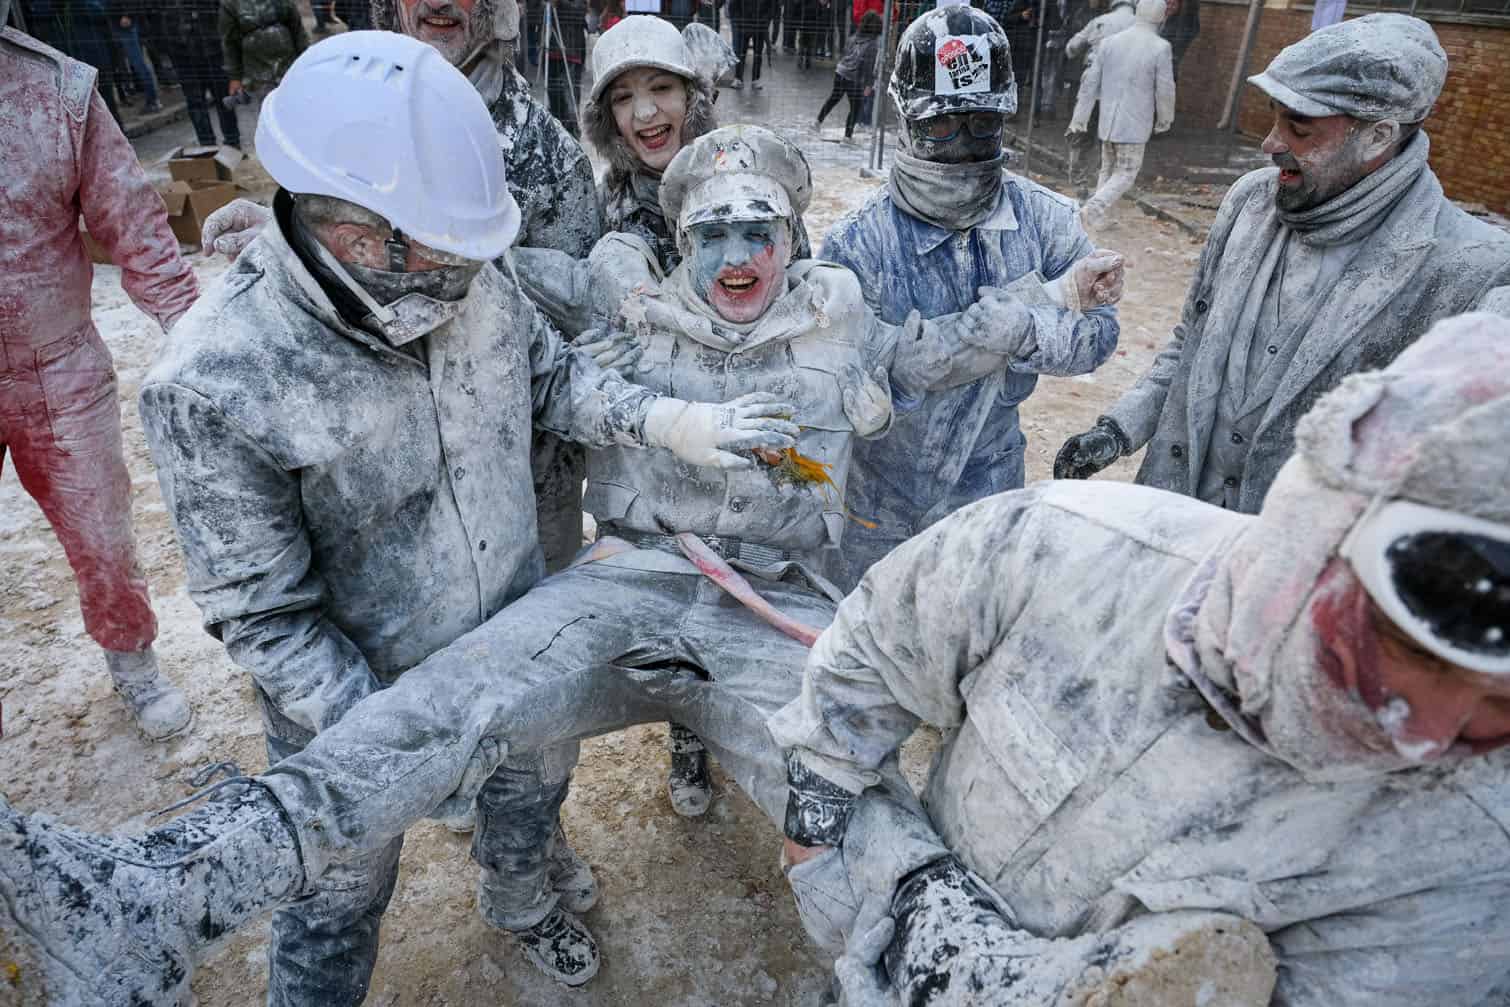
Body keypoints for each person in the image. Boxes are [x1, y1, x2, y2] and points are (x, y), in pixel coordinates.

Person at [0, 122, 1067, 1005]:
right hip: (625, 580)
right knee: (431, 724)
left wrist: (1044, 308)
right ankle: (164, 892)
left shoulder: (838, 321)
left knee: (832, 767)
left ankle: (968, 959)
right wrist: (663, 401)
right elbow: (553, 311)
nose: (738, 251)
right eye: (712, 231)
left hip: (767, 606)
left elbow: (928, 352)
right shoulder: (623, 313)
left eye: (761, 229)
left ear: (795, 237)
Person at [135, 35, 798, 1000]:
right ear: (345, 223)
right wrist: (406, 739)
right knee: (335, 898)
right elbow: (267, 619)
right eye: (436, 248)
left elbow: (555, 378)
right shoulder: (219, 381)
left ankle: (519, 901)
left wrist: (672, 421)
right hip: (352, 708)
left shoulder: (466, 275)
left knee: (529, 796)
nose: (460, 272)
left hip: (514, 643)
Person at [772, 310, 1510, 1006]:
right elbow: (859, 670)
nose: (1429, 735)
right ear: (1312, 541)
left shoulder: (1469, 862)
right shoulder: (1056, 546)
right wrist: (861, 875)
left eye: (1504, 709)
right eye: (1415, 648)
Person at [1055, 14, 1510, 513]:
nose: (1270, 144)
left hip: (1293, 559)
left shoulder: (1470, 271)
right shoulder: (1251, 202)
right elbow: (1193, 342)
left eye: (1299, 128)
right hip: (1178, 517)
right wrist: (1119, 428)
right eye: (1274, 118)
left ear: (1378, 137)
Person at [820, 5, 1124, 591]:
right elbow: (840, 376)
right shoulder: (858, 243)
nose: (962, 143)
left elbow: (1100, 334)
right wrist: (894, 374)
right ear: (907, 117)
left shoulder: (1044, 220)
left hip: (989, 488)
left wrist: (1031, 333)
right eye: (941, 125)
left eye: (981, 122)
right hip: (875, 502)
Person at [0, 12, 197, 741]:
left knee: (103, 536)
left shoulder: (59, 91)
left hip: (58, 371)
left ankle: (131, 655)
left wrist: (192, 331)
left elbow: (135, 225)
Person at [1067, 0, 1174, 231]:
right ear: (1161, 17)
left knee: (1108, 168)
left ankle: (1097, 219)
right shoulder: (1160, 47)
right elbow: (1165, 88)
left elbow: (1091, 83)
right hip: (1134, 124)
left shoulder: (1110, 42)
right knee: (1126, 173)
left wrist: (1081, 117)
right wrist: (1165, 118)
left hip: (1108, 120)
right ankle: (1092, 210)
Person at [1063, 0, 1135, 193]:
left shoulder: (1099, 21)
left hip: (1092, 88)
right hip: (1122, 91)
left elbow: (1072, 48)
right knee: (1111, 139)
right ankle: (1103, 184)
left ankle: (1079, 182)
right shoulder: (1140, 27)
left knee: (1082, 133)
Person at [159, 0, 242, 146]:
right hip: (182, 55)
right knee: (196, 102)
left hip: (212, 50)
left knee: (223, 99)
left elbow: (224, 12)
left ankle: (233, 142)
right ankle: (207, 146)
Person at [219, 0, 308, 98]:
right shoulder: (230, 4)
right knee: (271, 108)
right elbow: (229, 43)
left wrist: (307, 61)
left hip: (290, 67)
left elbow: (298, 30)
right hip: (259, 74)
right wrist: (235, 77)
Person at [816, 9, 879, 140]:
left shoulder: (854, 37)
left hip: (840, 71)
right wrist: (869, 84)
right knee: (856, 107)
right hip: (853, 77)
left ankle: (817, 122)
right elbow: (869, 66)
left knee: (834, 98)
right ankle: (847, 138)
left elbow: (845, 54)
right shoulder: (872, 44)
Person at [542, 0, 587, 135]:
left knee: (570, 93)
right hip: (551, 51)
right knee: (553, 92)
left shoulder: (576, 4)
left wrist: (560, 3)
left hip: (571, 51)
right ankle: (556, 127)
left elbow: (580, 13)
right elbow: (537, 14)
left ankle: (571, 130)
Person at [728, 0, 771, 89]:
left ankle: (755, 79)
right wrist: (738, 21)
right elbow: (733, 6)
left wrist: (766, 20)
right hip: (744, 23)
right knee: (741, 53)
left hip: (760, 24)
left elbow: (771, 6)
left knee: (758, 54)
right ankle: (738, 78)